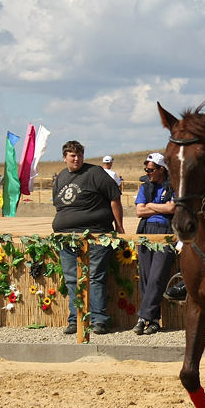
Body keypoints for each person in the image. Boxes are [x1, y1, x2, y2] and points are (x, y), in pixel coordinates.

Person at [52, 140, 124, 335]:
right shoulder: (61, 177)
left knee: (95, 276)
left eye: (80, 155)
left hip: (96, 234)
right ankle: (76, 319)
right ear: (65, 157)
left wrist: (119, 226)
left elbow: (114, 197)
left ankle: (99, 319)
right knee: (71, 279)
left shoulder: (95, 173)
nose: (77, 159)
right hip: (66, 237)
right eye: (73, 155)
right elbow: (58, 204)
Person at [132, 153, 176, 335]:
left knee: (157, 277)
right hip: (145, 232)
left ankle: (143, 317)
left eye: (151, 170)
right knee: (146, 278)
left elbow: (172, 208)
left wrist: (149, 205)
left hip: (166, 232)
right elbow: (139, 211)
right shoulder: (145, 187)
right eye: (146, 170)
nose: (148, 173)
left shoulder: (174, 186)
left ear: (161, 169)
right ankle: (154, 320)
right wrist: (159, 206)